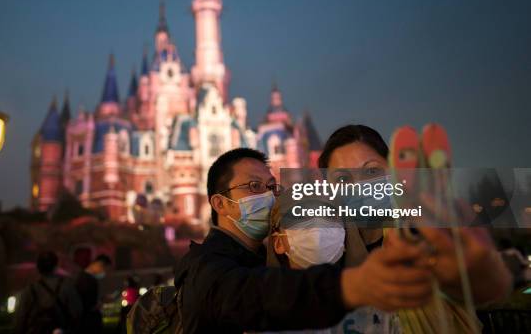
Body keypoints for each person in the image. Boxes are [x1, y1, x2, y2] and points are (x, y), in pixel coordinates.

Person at [174, 147, 437, 334]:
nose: (268, 196)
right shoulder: (206, 268)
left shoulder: (255, 261)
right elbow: (258, 295)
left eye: (272, 187)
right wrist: (353, 285)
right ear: (220, 203)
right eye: (254, 186)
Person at [313, 124, 513, 332]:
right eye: (343, 179)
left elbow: (480, 281)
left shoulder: (420, 228)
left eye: (372, 171)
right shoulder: (327, 249)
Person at [14, 251, 82, 334]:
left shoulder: (30, 290)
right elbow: (77, 314)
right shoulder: (67, 287)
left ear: (38, 268)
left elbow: (20, 318)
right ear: (56, 266)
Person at [75, 254, 113, 333]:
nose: (104, 273)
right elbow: (89, 305)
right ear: (100, 264)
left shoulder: (81, 277)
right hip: (89, 323)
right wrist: (102, 302)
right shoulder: (88, 280)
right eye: (105, 269)